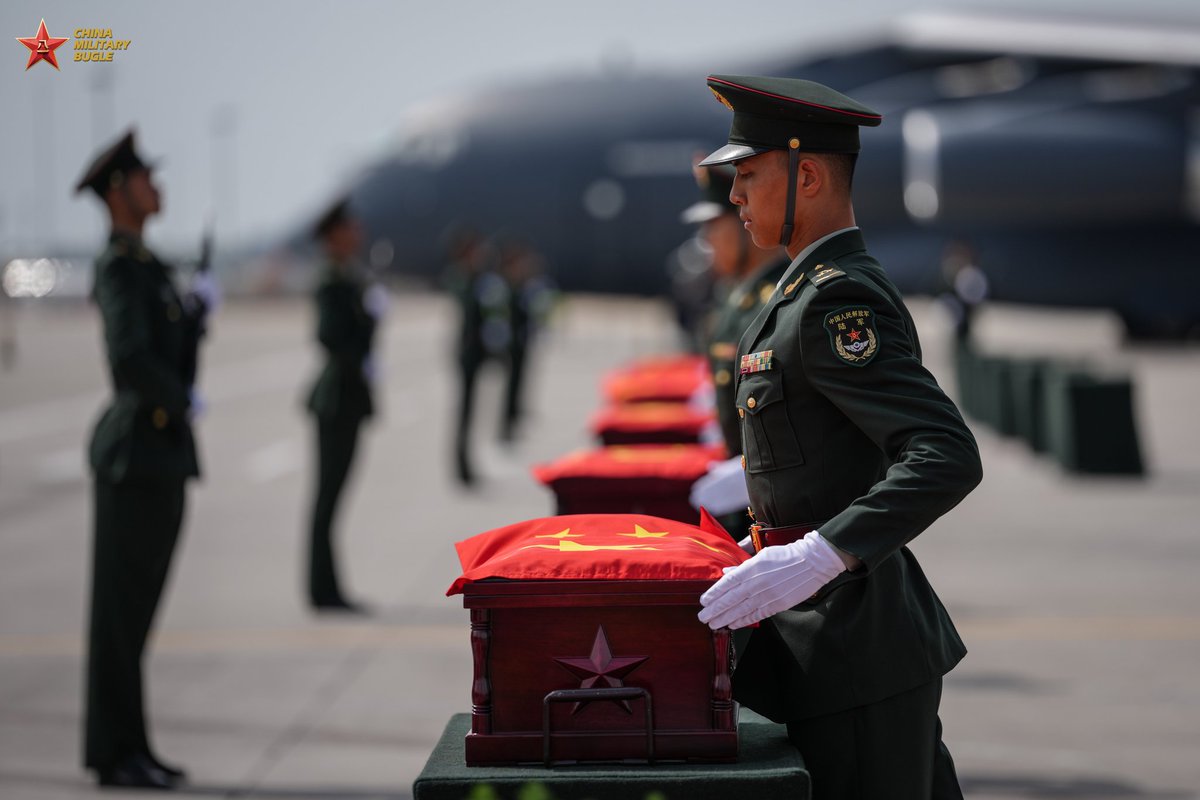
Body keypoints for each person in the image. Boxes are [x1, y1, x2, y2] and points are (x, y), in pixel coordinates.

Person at [693, 75, 983, 798]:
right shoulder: (801, 292)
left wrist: (820, 553)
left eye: (748, 174)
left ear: (808, 176)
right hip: (820, 639)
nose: (735, 195)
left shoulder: (836, 298)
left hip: (855, 644)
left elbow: (945, 453)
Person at [78, 129, 210, 789]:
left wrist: (195, 319)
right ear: (117, 191)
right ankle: (113, 752)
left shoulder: (149, 264)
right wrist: (180, 398)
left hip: (161, 456)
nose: (156, 187)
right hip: (135, 457)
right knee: (119, 618)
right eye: (144, 178)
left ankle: (133, 745)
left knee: (137, 617)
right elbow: (129, 357)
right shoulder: (119, 266)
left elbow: (165, 351)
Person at [682, 157, 789, 540]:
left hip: (772, 500)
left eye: (714, 226)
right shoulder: (738, 296)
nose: (708, 241)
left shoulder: (771, 300)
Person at [304, 198, 381, 612]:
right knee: (327, 499)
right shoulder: (332, 281)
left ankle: (326, 586)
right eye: (350, 226)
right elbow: (329, 337)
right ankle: (322, 589)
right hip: (337, 399)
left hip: (348, 398)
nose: (358, 232)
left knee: (333, 499)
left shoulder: (349, 276)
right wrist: (367, 324)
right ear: (334, 235)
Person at [443, 227, 508, 485]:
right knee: (464, 413)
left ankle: (466, 463)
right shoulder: (462, 278)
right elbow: (468, 307)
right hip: (467, 354)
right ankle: (461, 467)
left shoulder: (479, 278)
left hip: (478, 353)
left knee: (472, 412)